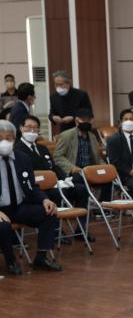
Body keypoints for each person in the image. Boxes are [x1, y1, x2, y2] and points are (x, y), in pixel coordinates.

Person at [15, 114, 93, 241]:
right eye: (28, 127)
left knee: (81, 189)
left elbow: (54, 166)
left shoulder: (42, 148)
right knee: (55, 193)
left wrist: (64, 178)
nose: (32, 131)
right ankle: (55, 231)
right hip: (36, 189)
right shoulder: (17, 150)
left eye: (35, 128)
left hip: (55, 184)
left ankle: (81, 229)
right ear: (21, 128)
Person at [0, 120, 62, 275]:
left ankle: (41, 258)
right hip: (1, 210)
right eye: (0, 138)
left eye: (9, 138)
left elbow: (32, 186)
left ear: (14, 138)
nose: (5, 142)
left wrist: (44, 199)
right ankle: (10, 261)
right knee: (3, 226)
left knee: (49, 212)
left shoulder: (22, 158)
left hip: (19, 206)